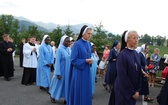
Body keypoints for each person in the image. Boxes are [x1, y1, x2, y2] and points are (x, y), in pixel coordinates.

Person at [108, 30, 142, 105]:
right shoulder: (122, 55)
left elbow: (139, 72)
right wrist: (132, 93)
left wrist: (137, 90)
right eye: (134, 38)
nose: (136, 40)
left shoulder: (136, 54)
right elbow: (122, 77)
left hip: (133, 90)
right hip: (123, 92)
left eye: (137, 38)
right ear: (127, 40)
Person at [67, 25, 93, 105]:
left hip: (87, 71)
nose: (90, 35)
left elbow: (88, 55)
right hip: (79, 72)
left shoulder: (88, 44)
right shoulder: (77, 44)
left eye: (91, 34)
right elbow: (73, 60)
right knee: (79, 91)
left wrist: (90, 61)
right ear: (83, 33)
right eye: (88, 33)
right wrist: (85, 61)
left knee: (86, 90)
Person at [49, 35, 71, 104]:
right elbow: (57, 62)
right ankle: (52, 96)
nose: (68, 43)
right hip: (61, 70)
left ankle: (66, 98)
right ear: (62, 41)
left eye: (69, 41)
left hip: (68, 71)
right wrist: (58, 73)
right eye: (67, 41)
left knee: (66, 85)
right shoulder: (59, 50)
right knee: (57, 84)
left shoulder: (69, 49)